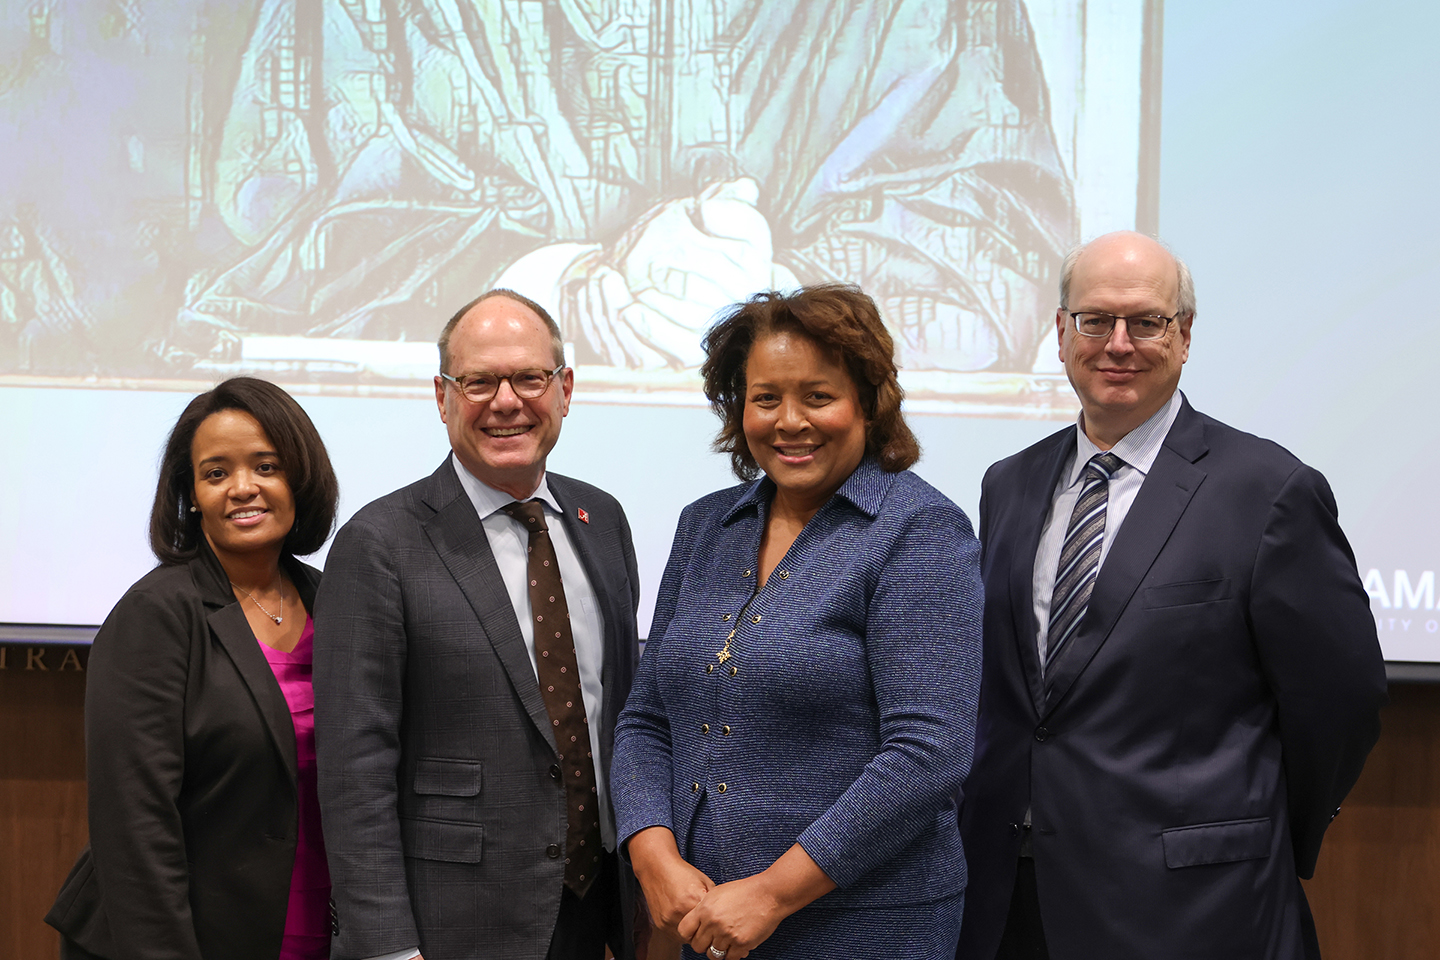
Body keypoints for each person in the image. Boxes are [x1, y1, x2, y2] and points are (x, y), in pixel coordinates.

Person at [957, 232, 1388, 960]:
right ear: (1061, 335)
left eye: (1147, 322)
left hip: (1193, 908)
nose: (1117, 344)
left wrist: (1254, 835)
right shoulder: (1010, 482)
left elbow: (1340, 701)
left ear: (1184, 336)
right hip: (1011, 898)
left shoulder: (1269, 490)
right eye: (1095, 320)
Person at [611, 285, 984, 960]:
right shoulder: (706, 524)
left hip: (865, 925)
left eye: (818, 396)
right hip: (704, 923)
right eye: (765, 398)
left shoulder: (919, 530)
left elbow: (928, 755)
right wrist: (651, 853)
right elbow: (646, 720)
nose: (790, 421)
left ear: (869, 402)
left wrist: (771, 894)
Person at [313, 290, 643, 960]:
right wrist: (386, 948)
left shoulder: (601, 520)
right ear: (442, 397)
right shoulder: (379, 544)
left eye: (529, 378)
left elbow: (622, 717)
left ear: (565, 389)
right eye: (478, 381)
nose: (506, 401)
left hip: (595, 909)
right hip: (451, 926)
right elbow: (355, 771)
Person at [45, 377, 341, 960]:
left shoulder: (335, 603)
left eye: (266, 466)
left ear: (299, 478)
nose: (242, 489)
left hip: (313, 922)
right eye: (215, 473)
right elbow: (135, 825)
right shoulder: (154, 615)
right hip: (184, 937)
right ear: (191, 494)